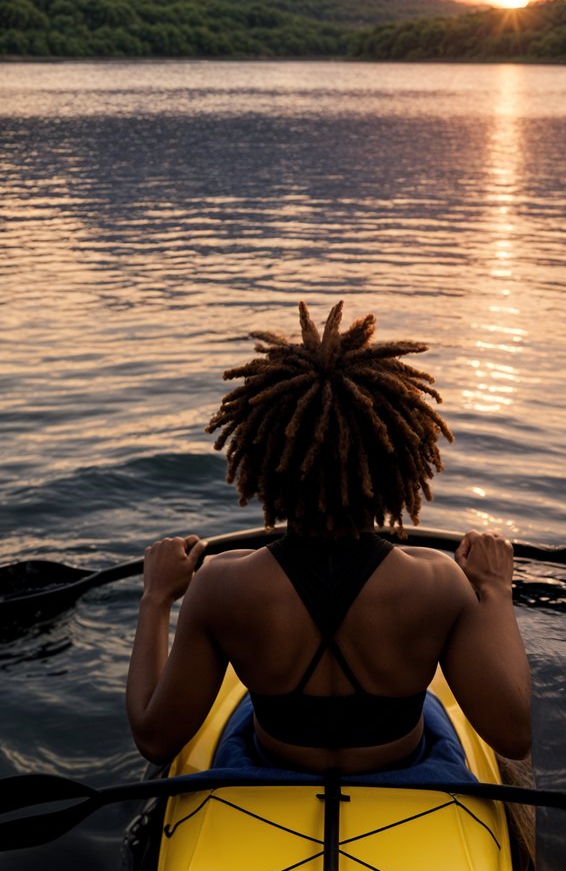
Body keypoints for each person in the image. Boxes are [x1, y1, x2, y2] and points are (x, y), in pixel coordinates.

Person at [126, 301, 531, 779]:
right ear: (397, 465)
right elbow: (514, 736)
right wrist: (495, 589)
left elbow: (154, 740)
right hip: (404, 771)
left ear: (261, 460)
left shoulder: (219, 585)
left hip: (272, 765)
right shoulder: (441, 584)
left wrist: (156, 596)